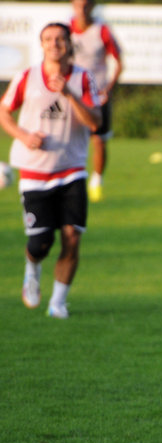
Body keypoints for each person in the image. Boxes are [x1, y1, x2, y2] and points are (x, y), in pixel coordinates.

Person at [0, 22, 103, 319]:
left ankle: (58, 303)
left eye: (60, 39)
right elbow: (4, 112)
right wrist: (24, 136)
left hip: (72, 170)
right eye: (48, 39)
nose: (54, 44)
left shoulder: (83, 78)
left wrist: (69, 94)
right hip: (34, 173)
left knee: (72, 237)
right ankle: (32, 267)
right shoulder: (27, 77)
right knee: (41, 244)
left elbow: (95, 122)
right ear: (41, 44)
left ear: (69, 44)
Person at [70, 0, 122, 203]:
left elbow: (119, 62)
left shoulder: (102, 31)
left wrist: (108, 88)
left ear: (92, 6)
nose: (82, 10)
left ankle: (96, 182)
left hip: (96, 94)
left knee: (98, 140)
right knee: (68, 137)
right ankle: (69, 179)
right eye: (78, 5)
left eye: (85, 5)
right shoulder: (66, 29)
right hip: (72, 94)